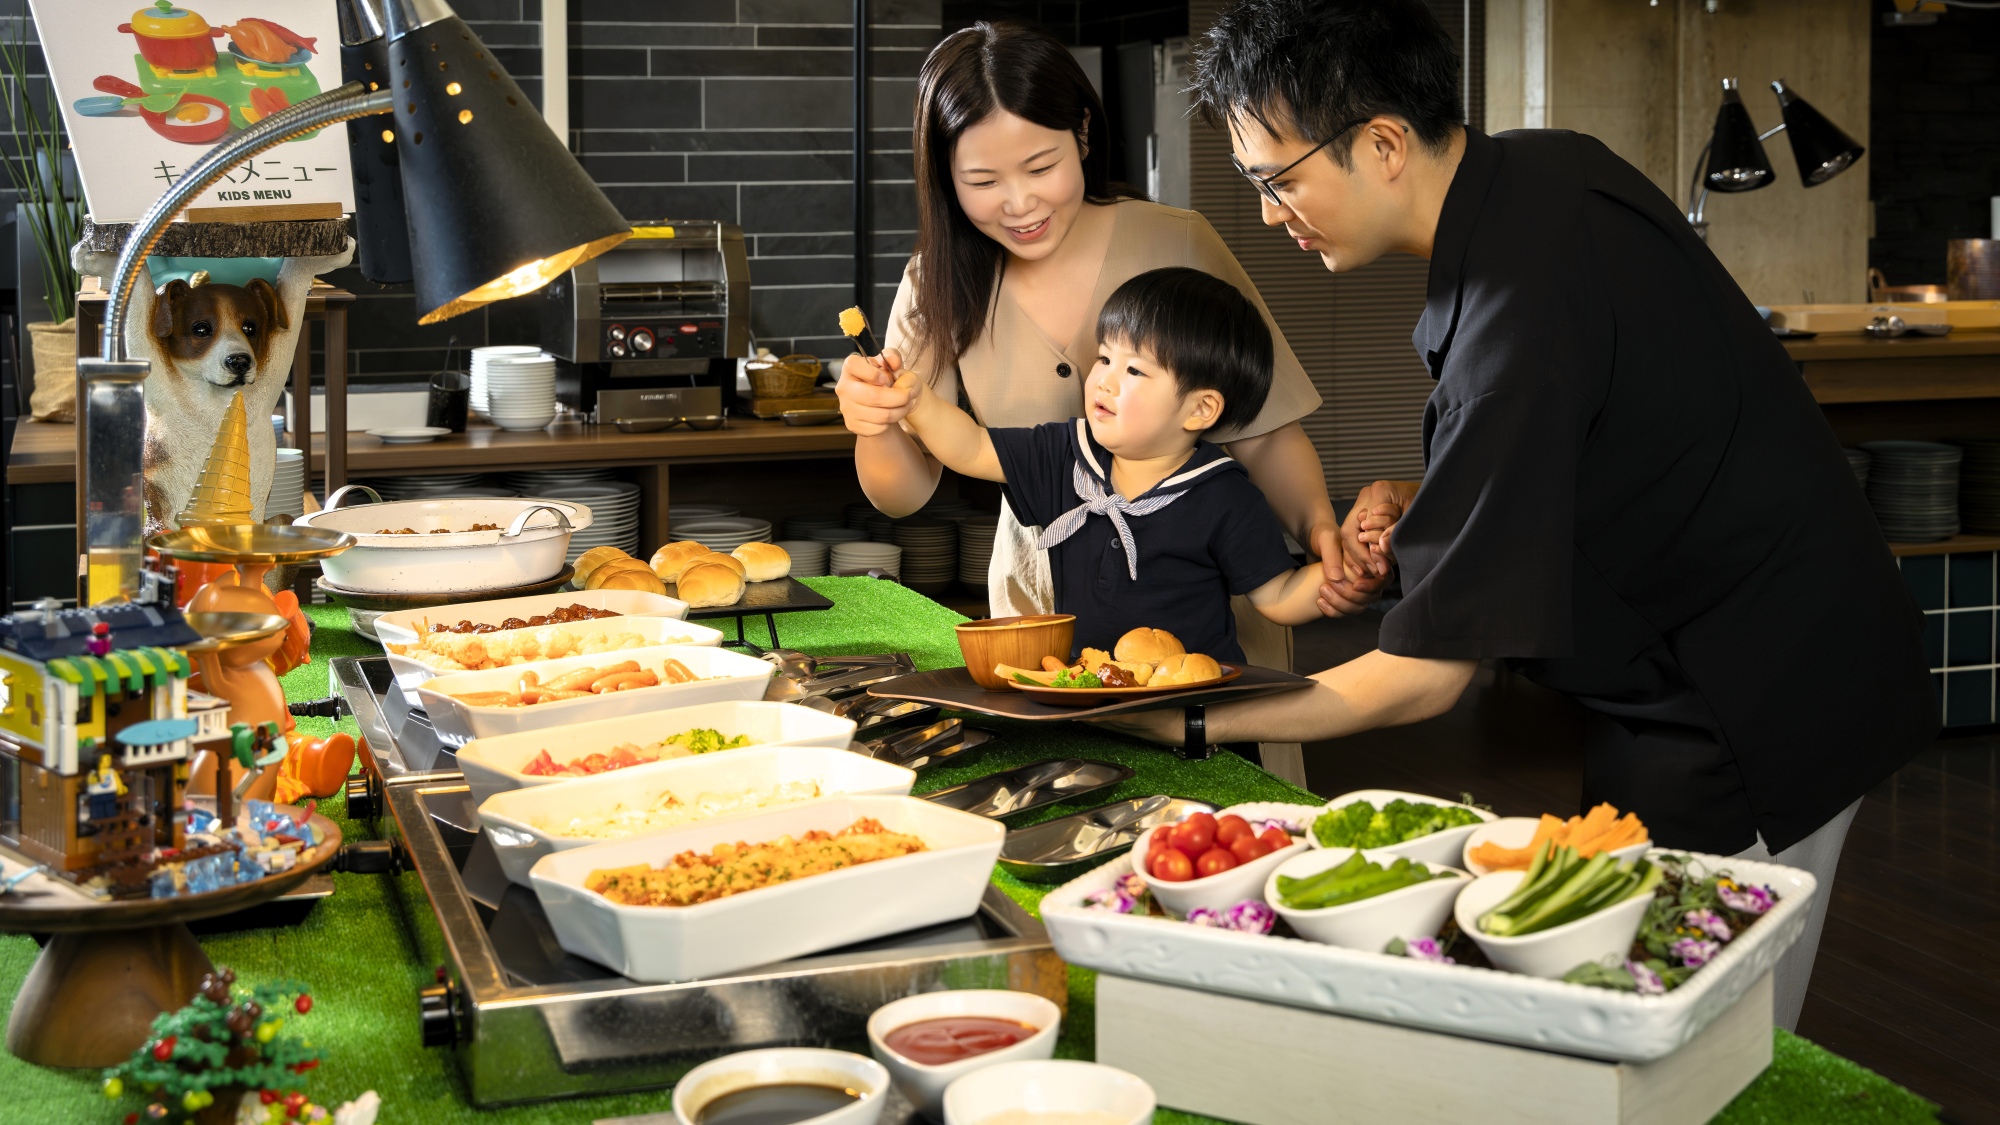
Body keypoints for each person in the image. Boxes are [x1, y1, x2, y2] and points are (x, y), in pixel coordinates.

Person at [1105, 0, 1937, 1031]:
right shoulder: (1546, 168)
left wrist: (1181, 715)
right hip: (1732, 649)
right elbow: (1609, 426)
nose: (1273, 215)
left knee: (1693, 1035)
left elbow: (1419, 680)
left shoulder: (1512, 323)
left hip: (1756, 694)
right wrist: (1437, 498)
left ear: (1380, 143)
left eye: (1279, 181)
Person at [835, 21, 1393, 668]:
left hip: (1205, 603)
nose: (1020, 203)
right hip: (1042, 618)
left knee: (1216, 769)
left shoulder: (1176, 241)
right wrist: (875, 421)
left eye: (1041, 166)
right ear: (944, 176)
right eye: (982, 181)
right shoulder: (936, 282)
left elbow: (1263, 431)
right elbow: (903, 492)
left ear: (1082, 134)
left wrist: (1320, 531)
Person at [896, 267, 1333, 661]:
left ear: (1200, 409)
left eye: (1135, 371)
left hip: (1193, 713)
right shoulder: (1067, 453)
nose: (1102, 378)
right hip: (1087, 698)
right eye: (1105, 358)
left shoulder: (1226, 495)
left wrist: (1342, 578)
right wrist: (915, 397)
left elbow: (1278, 596)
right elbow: (972, 448)